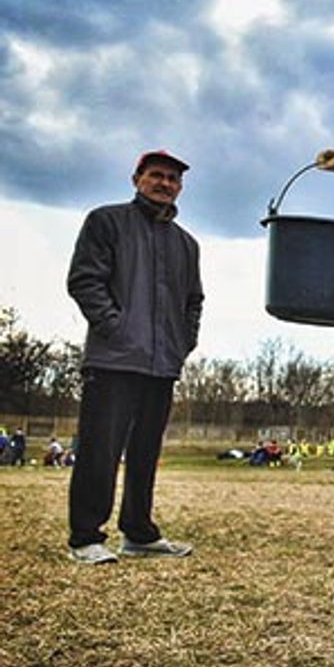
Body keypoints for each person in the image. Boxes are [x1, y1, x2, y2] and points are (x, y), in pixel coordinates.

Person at [65, 149, 203, 565]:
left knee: (146, 452)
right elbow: (84, 279)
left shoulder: (186, 244)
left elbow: (193, 301)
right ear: (136, 179)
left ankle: (139, 533)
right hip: (113, 360)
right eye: (156, 175)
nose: (165, 184)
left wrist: (182, 341)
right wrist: (116, 328)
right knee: (99, 451)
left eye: (173, 179)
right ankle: (86, 537)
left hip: (162, 364)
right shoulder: (106, 221)